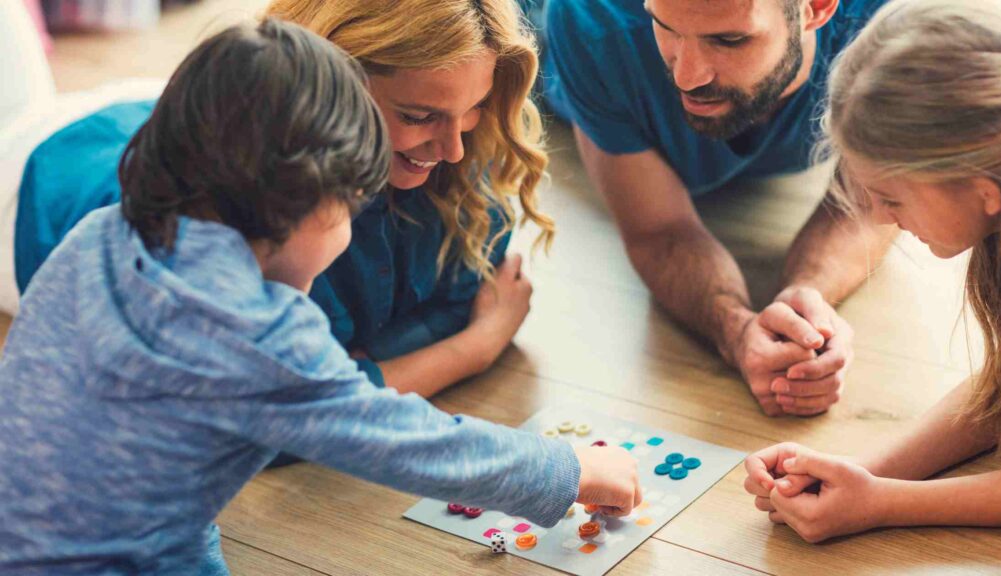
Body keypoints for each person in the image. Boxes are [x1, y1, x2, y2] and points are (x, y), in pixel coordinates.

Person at [0, 19, 641, 574]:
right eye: (347, 211)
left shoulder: (100, 237)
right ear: (301, 204)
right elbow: (414, 444)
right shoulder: (256, 337)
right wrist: (570, 470)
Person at [3, 0, 553, 398]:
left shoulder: (458, 156)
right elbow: (274, 408)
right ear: (325, 84)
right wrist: (477, 347)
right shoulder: (238, 218)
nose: (455, 149)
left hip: (151, 105)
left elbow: (465, 293)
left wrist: (357, 371)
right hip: (39, 177)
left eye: (474, 107)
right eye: (418, 116)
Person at [744, 0, 1001, 541]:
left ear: (983, 191)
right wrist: (861, 473)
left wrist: (885, 503)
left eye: (891, 198)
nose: (873, 217)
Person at [542, 0, 897, 416]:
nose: (686, 77)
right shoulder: (587, 17)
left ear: (815, 9)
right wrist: (738, 332)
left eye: (729, 39)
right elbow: (659, 230)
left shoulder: (889, 22)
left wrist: (805, 308)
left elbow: (873, 202)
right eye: (664, 26)